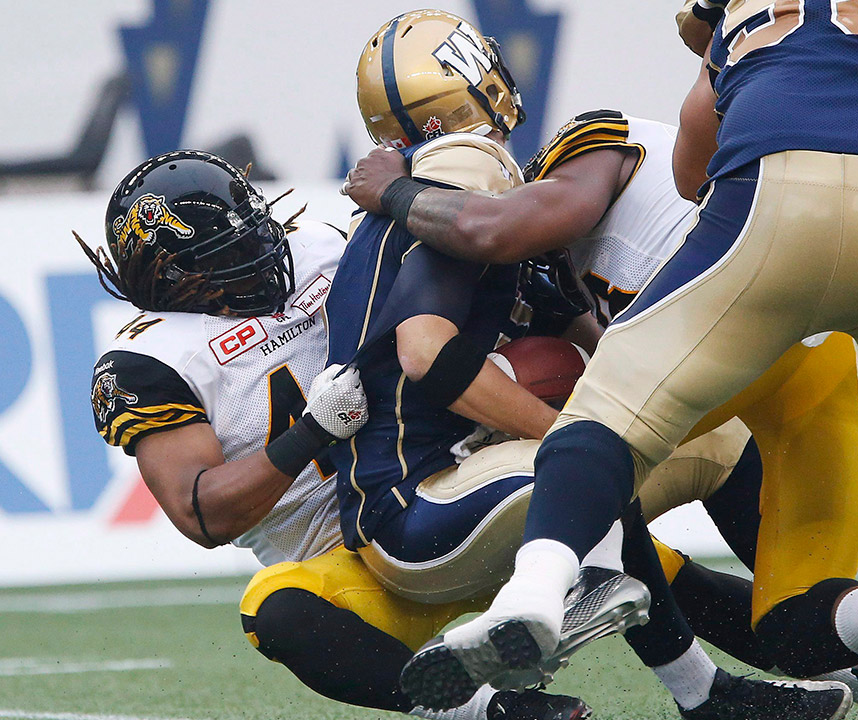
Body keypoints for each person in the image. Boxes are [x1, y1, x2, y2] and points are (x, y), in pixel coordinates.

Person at [409, 0, 858, 718]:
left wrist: (395, 191)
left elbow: (687, 172)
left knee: (603, 419)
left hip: (769, 255)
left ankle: (538, 589)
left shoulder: (593, 139)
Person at [328, 10, 851, 720]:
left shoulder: (431, 197)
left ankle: (741, 671)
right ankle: (578, 592)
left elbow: (593, 351)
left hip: (442, 488)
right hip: (418, 508)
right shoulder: (465, 167)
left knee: (703, 442)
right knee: (592, 449)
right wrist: (567, 434)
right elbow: (424, 351)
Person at [80, 149, 594, 720]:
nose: (262, 253)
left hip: (452, 481)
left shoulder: (324, 245)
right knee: (276, 608)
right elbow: (203, 514)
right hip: (356, 561)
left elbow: (440, 310)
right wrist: (311, 433)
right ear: (175, 276)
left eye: (257, 231)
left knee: (601, 490)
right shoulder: (150, 358)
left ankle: (668, 663)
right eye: (231, 251)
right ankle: (488, 710)